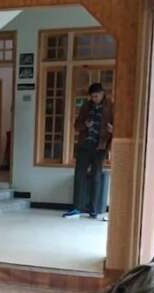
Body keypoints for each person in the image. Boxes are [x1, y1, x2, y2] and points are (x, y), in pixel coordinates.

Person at [64, 82, 114, 219]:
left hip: (100, 146)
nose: (94, 99)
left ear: (102, 94)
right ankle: (76, 208)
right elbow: (76, 125)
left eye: (96, 96)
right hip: (84, 145)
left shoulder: (111, 106)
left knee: (96, 177)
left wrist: (112, 130)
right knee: (79, 175)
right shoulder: (86, 106)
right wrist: (85, 125)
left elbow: (118, 126)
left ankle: (94, 209)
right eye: (92, 96)